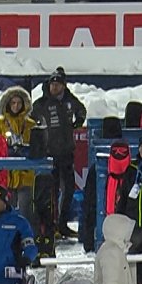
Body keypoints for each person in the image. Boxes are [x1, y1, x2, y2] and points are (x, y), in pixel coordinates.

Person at [30, 68, 86, 239]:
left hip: (67, 151)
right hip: (49, 154)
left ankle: (62, 224)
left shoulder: (69, 99)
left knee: (68, 189)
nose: (54, 88)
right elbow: (31, 120)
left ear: (63, 85)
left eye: (57, 85)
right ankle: (51, 225)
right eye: (52, 84)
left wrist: (78, 123)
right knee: (51, 191)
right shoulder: (41, 103)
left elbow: (81, 110)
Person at [0, 86, 35, 217]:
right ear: (7, 104)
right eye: (13, 102)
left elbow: (37, 148)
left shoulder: (31, 125)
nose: (16, 106)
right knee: (6, 211)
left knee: (27, 210)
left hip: (26, 174)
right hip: (5, 176)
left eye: (19, 103)